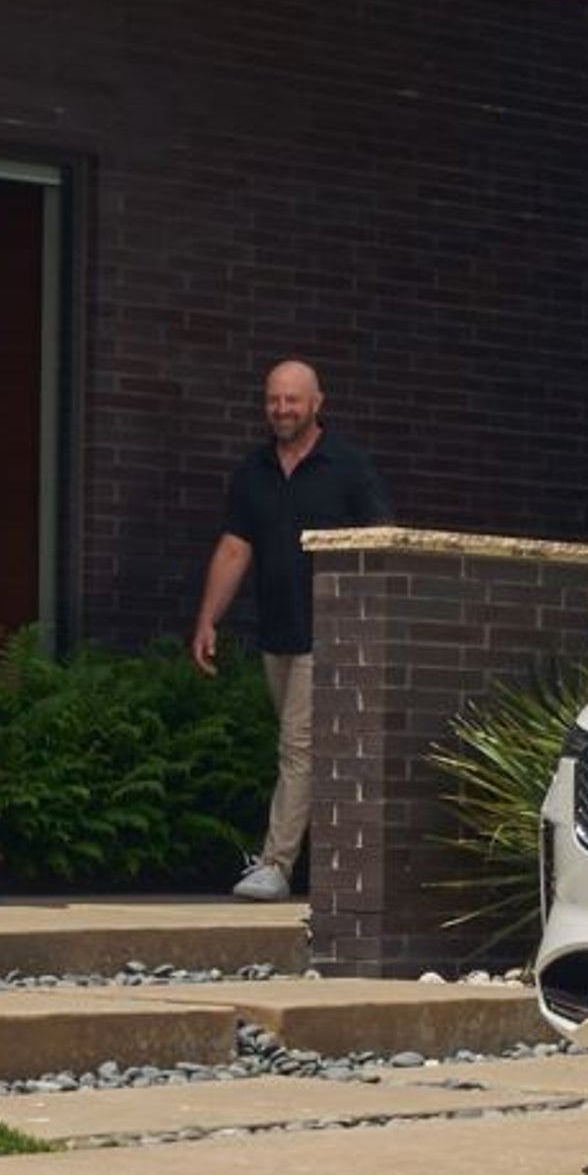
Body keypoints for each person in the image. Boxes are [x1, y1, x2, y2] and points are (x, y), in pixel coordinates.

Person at [191, 358, 389, 901]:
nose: (282, 410)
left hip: (330, 631)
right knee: (311, 751)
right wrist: (209, 618)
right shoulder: (252, 471)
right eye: (274, 400)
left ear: (317, 402)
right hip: (275, 631)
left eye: (292, 400)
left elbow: (380, 539)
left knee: (297, 746)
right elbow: (235, 548)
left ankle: (276, 865)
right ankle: (334, 867)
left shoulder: (347, 467)